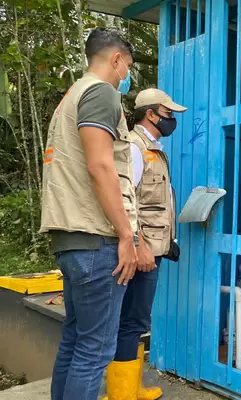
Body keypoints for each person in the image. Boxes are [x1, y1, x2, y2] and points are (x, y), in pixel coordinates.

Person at [40, 28, 138, 400]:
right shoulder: (101, 93)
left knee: (76, 342)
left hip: (71, 240)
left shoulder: (70, 97)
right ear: (115, 60)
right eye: (127, 67)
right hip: (96, 242)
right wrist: (126, 234)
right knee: (95, 351)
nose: (125, 75)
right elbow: (100, 167)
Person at [102, 88, 185, 400]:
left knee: (136, 320)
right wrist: (139, 246)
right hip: (140, 252)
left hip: (153, 248)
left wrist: (169, 240)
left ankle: (131, 388)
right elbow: (125, 202)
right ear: (151, 114)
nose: (172, 120)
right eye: (169, 114)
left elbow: (156, 203)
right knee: (131, 320)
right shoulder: (134, 148)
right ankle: (121, 394)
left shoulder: (153, 149)